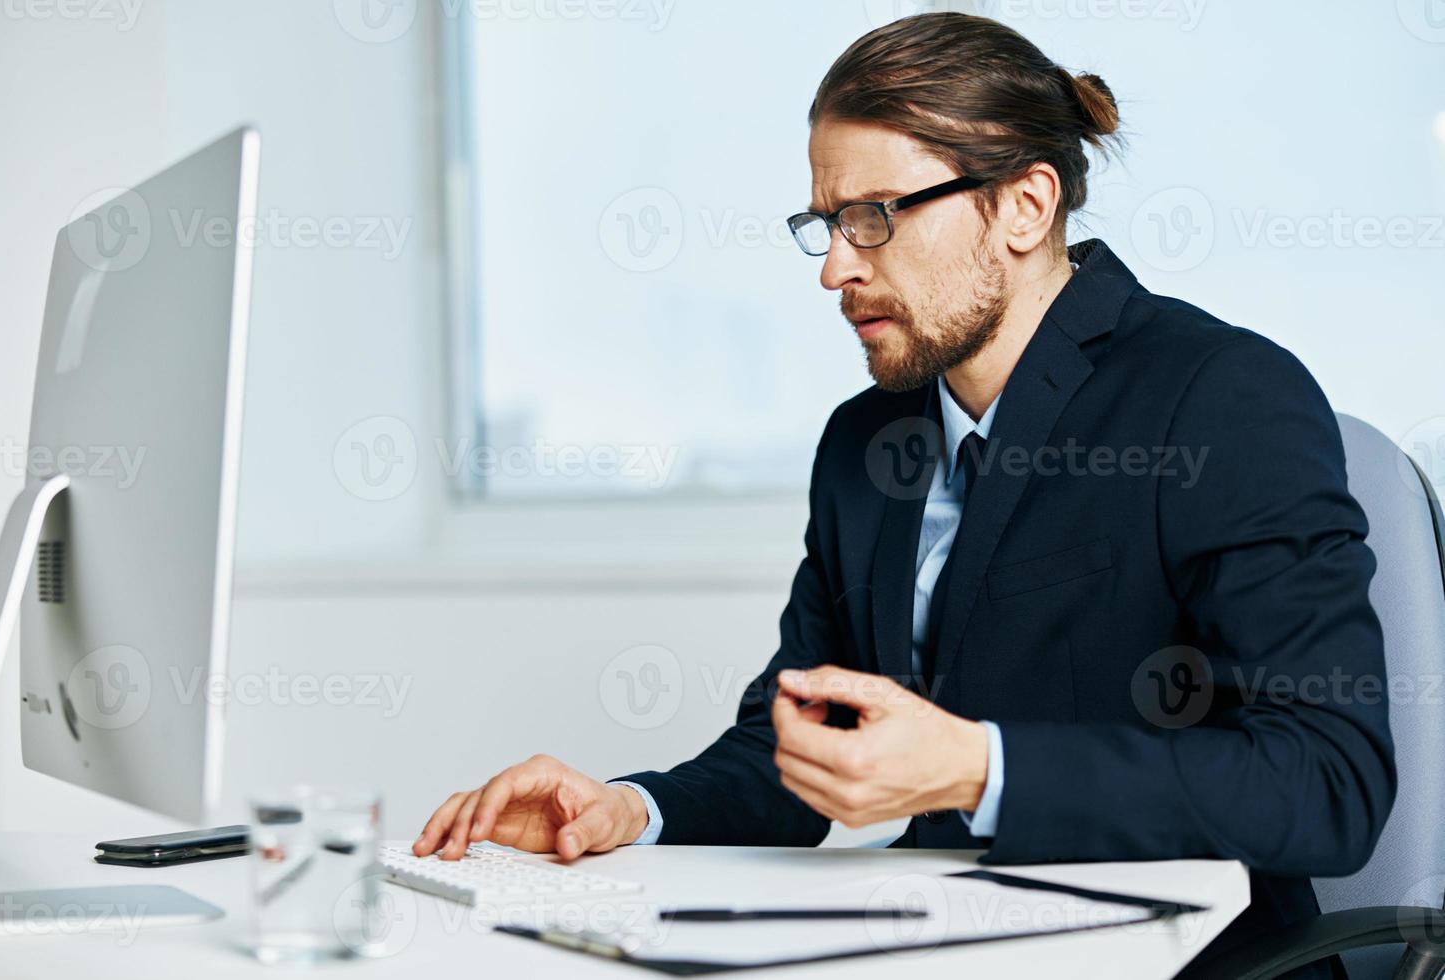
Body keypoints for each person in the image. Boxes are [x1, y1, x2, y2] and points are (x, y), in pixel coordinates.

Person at [414, 14, 1394, 978]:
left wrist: (979, 767)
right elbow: (795, 747)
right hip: (935, 943)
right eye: (829, 223)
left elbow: (1326, 781)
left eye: (876, 215)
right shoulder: (866, 442)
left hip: (1185, 957)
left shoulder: (1220, 397)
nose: (839, 265)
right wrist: (629, 808)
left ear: (1024, 205)